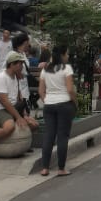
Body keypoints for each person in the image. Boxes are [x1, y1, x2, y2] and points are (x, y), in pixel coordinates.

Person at [0, 54, 39, 160]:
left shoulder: (15, 77)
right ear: (11, 65)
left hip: (11, 109)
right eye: (20, 64)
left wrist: (24, 115)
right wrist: (18, 117)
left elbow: (19, 99)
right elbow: (5, 102)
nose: (22, 67)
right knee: (9, 127)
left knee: (34, 124)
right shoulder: (1, 78)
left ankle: (21, 143)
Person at [39, 45, 77, 177]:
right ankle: (61, 168)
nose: (68, 57)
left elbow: (41, 91)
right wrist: (75, 102)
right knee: (62, 136)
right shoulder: (67, 69)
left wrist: (48, 100)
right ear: (62, 55)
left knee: (49, 135)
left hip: (49, 105)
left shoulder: (45, 69)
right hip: (64, 104)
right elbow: (70, 90)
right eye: (67, 54)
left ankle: (45, 168)